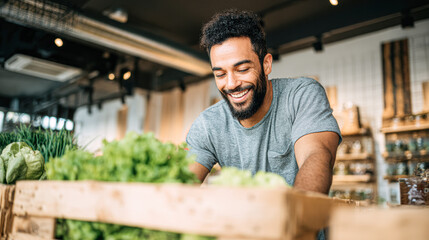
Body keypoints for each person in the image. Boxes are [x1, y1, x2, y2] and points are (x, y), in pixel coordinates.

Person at [186, 9, 341, 194]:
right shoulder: (208, 124)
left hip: (300, 221)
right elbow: (180, 185)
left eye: (242, 69)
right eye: (220, 74)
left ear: (266, 64)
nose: (231, 84)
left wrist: (295, 219)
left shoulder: (300, 95)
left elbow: (316, 156)